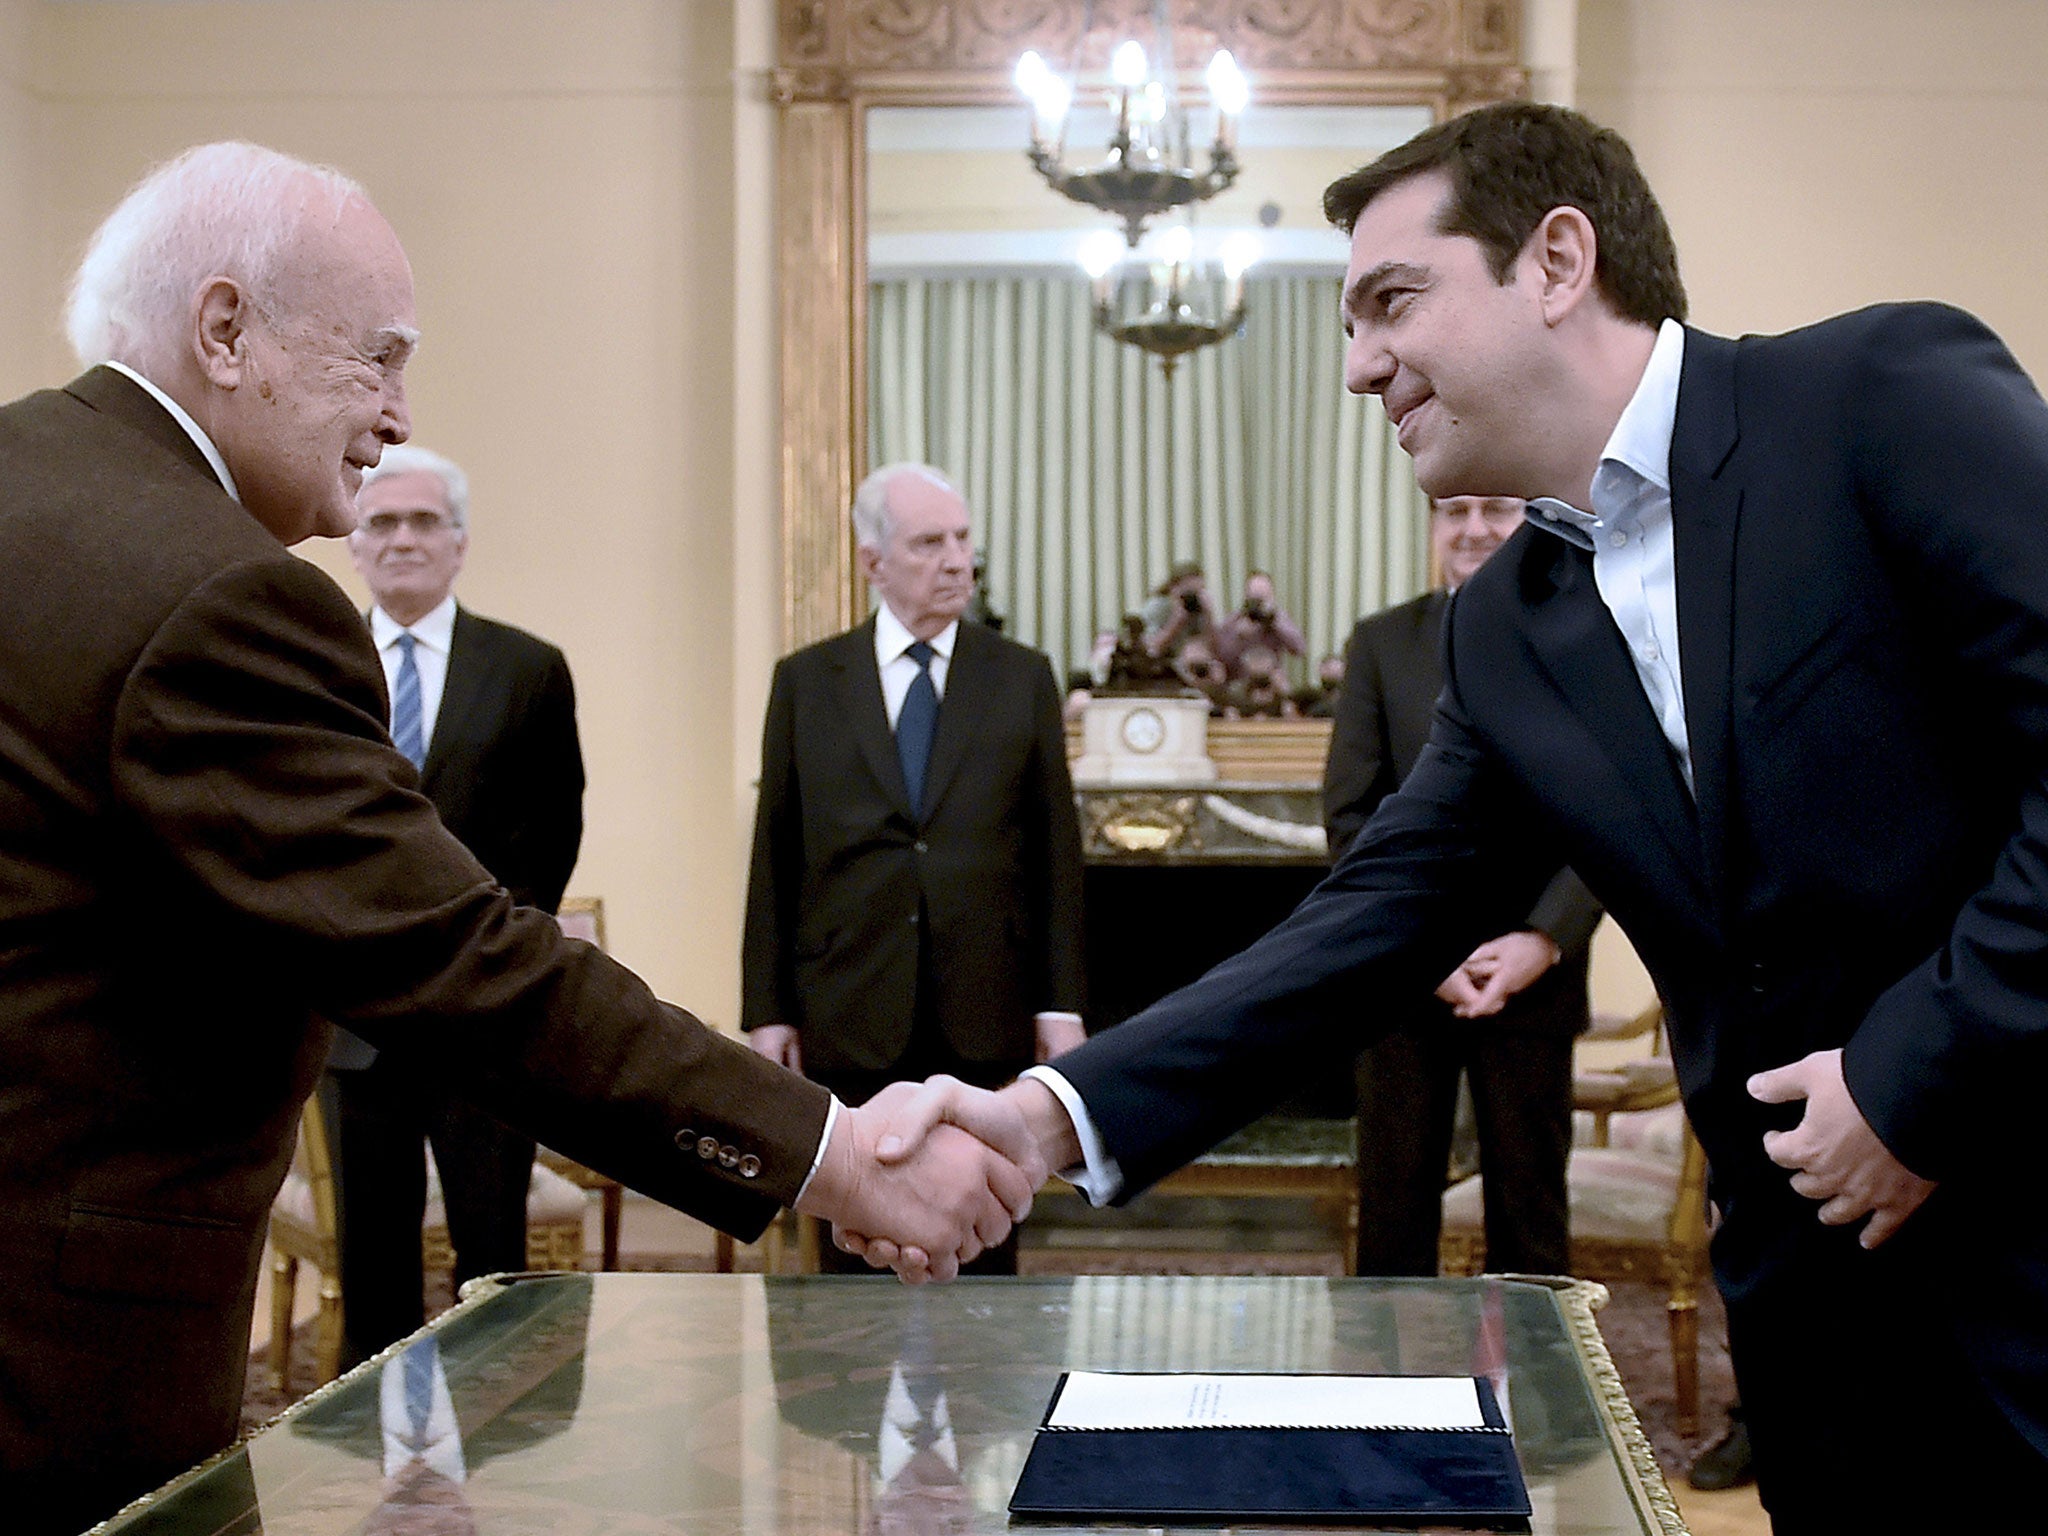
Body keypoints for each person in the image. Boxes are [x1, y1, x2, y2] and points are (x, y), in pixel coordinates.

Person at [864, 101, 2048, 1529]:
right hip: (1814, 1311)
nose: (1359, 365)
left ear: (1557, 261)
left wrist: (1914, 1078)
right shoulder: (1507, 630)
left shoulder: (1879, 397)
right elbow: (1366, 924)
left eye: (1391, 303)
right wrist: (1043, 1122)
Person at [0, 141, 1033, 1536]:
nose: (397, 414)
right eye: (378, 357)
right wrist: (833, 1154)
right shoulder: (216, 595)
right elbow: (460, 955)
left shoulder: (29, 486)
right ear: (226, 328)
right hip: (51, 1362)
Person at [741, 462, 1087, 1274]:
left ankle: (986, 1400)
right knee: (853, 1242)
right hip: (849, 1002)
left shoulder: (1022, 676)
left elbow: (1056, 858)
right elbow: (775, 854)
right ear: (874, 562)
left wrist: (1062, 1006)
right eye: (931, 543)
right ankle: (848, 1403)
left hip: (984, 1001)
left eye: (964, 540)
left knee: (987, 1231)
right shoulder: (806, 682)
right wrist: (768, 1010)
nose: (957, 560)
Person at [321, 444, 586, 1366]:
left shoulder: (527, 669)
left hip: (486, 1016)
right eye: (381, 522)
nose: (401, 539)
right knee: (373, 1273)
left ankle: (497, 1462)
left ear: (460, 542)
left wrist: (496, 962)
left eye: (424, 521)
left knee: (492, 1269)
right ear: (354, 542)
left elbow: (553, 841)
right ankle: (372, 1485)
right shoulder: (315, 665)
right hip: (355, 1020)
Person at [1325, 494, 1600, 1277]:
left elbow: (1611, 811)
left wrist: (1545, 937)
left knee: (1531, 1215)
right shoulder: (1381, 643)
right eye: (1454, 511)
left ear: (1532, 522)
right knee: (1392, 1215)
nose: (1473, 529)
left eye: (1496, 510)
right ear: (1432, 526)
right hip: (1402, 979)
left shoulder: (1585, 637)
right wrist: (1423, 951)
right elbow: (1351, 817)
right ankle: (1387, 1400)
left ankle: (1540, 1399)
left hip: (1532, 978)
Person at [1214, 570, 1307, 680]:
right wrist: (1238, 638)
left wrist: (1275, 622)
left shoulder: (1279, 618)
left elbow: (1300, 649)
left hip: (1271, 680)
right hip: (1242, 681)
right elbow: (1221, 659)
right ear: (1246, 596)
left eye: (1263, 598)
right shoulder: (1234, 620)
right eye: (1255, 598)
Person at [1140, 560, 1217, 657]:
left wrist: (1208, 615)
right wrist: (1176, 621)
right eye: (1189, 592)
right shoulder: (1158, 606)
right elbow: (1150, 649)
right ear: (1173, 588)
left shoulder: (1199, 609)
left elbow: (1213, 650)